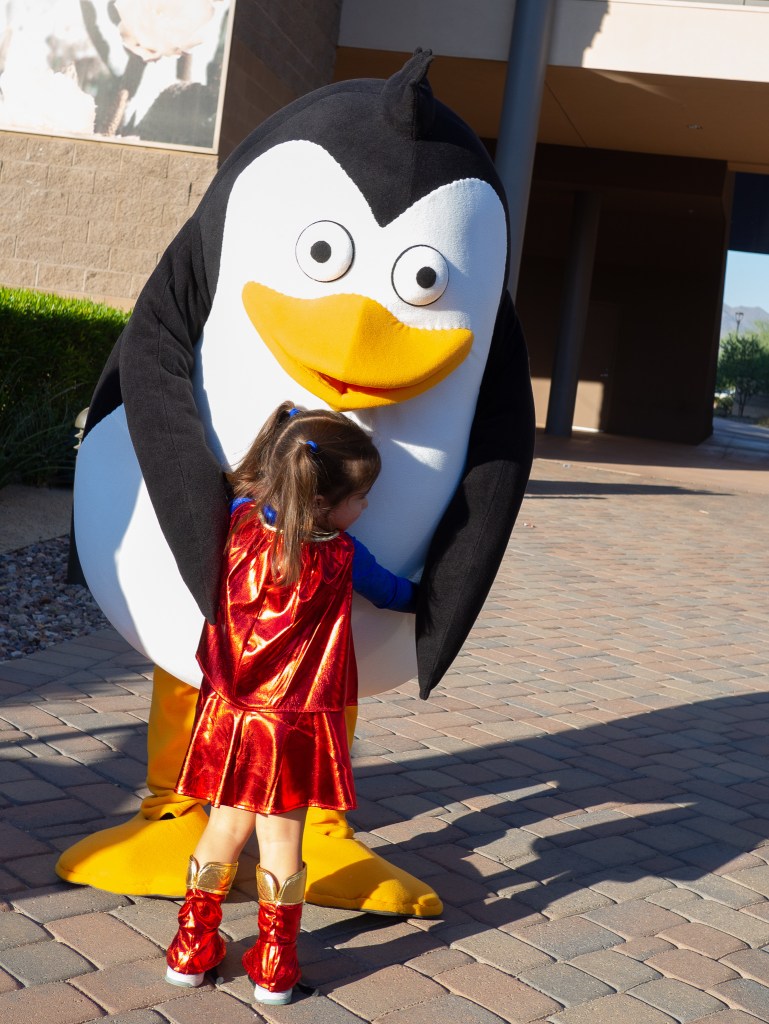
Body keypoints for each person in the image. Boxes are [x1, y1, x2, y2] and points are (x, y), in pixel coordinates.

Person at [164, 401, 416, 1005]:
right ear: (325, 504)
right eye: (362, 498)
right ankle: (274, 966)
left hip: (231, 714)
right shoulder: (345, 557)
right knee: (280, 842)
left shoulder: (237, 521)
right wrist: (444, 595)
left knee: (223, 826)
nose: (366, 508)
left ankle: (191, 949)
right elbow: (396, 595)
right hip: (294, 724)